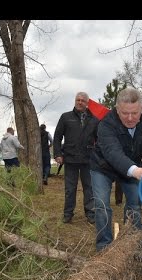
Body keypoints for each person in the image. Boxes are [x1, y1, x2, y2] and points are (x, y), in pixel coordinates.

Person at [90, 87, 142, 252]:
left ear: (141, 109)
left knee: (135, 203)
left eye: (134, 113)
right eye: (124, 113)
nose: (129, 118)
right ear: (117, 109)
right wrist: (137, 172)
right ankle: (103, 248)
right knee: (101, 205)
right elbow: (113, 153)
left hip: (132, 164)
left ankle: (132, 245)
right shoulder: (106, 123)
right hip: (103, 166)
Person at [53, 92, 99, 224]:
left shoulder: (94, 120)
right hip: (70, 159)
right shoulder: (66, 117)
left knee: (89, 188)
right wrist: (57, 154)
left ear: (87, 103)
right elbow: (57, 137)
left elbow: (99, 140)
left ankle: (90, 213)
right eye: (77, 100)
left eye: (82, 101)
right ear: (75, 101)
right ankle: (68, 214)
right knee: (70, 188)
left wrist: (97, 156)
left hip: (88, 159)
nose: (80, 102)